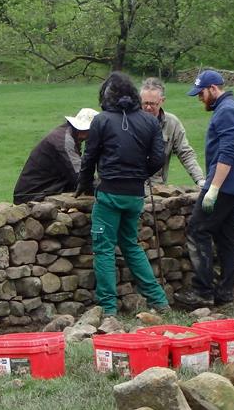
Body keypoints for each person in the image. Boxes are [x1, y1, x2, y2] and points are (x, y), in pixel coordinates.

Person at [77, 72, 169, 315]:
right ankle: (158, 300)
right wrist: (140, 174)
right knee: (131, 245)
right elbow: (159, 158)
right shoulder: (150, 121)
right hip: (135, 194)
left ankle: (108, 309)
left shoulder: (102, 120)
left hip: (109, 193)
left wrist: (84, 185)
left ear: (108, 95)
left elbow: (90, 157)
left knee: (104, 249)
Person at [174, 70, 234, 308]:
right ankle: (225, 290)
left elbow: (226, 154)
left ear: (213, 89)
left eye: (201, 93)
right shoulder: (231, 108)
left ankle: (202, 291)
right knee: (225, 236)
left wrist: (213, 188)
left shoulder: (227, 112)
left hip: (224, 185)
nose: (199, 98)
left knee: (197, 231)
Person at [13, 108, 99, 204]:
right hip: (32, 195)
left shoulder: (68, 134)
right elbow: (80, 176)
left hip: (43, 189)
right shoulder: (65, 141)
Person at [140, 77, 205, 188]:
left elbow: (185, 153)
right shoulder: (129, 121)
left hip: (157, 187)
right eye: (145, 103)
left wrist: (200, 179)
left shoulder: (172, 123)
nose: (148, 107)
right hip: (132, 187)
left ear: (162, 100)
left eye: (153, 103)